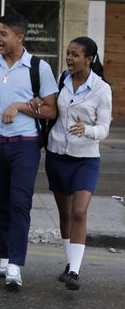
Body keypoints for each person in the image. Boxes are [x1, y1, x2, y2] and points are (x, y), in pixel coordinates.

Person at [0, 13, 58, 289]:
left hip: (25, 145)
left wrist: (19, 106)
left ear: (20, 38)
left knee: (20, 203)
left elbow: (51, 109)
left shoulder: (38, 68)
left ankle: (16, 264)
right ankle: (5, 255)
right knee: (1, 204)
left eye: (3, 34)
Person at [45, 37, 111, 290]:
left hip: (85, 158)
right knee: (64, 212)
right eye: (68, 53)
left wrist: (87, 130)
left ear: (89, 59)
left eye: (75, 55)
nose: (69, 59)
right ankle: (68, 261)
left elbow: (104, 129)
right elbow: (54, 110)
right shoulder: (62, 79)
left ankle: (74, 271)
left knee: (79, 211)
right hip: (57, 154)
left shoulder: (101, 89)